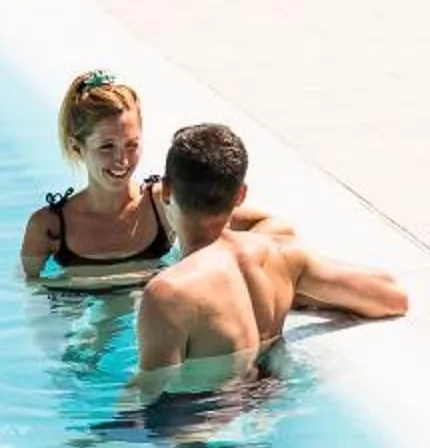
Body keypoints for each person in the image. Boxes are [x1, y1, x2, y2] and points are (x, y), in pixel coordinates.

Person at [131, 122, 407, 404]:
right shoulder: (282, 256)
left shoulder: (168, 293)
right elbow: (393, 297)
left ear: (165, 191)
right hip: (269, 403)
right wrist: (302, 294)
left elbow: (149, 398)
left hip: (204, 431)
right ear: (240, 195)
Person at [21, 71, 277, 291]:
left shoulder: (164, 203)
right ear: (76, 148)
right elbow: (30, 294)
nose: (122, 160)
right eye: (107, 147)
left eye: (132, 144)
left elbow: (264, 224)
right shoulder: (48, 227)